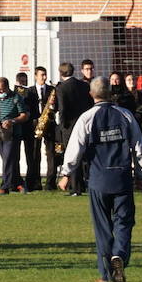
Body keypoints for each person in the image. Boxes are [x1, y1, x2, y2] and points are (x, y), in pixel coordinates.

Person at [58, 77, 142, 282]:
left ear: (91, 95)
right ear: (111, 93)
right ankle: (119, 254)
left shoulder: (87, 118)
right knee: (124, 222)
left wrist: (66, 173)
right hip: (122, 178)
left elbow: (75, 149)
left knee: (102, 228)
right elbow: (139, 147)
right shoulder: (125, 115)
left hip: (98, 179)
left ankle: (106, 273)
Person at [55, 62, 93, 195]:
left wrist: (62, 125)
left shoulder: (61, 88)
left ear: (61, 73)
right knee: (85, 156)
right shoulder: (84, 85)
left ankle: (76, 187)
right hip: (85, 123)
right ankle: (87, 183)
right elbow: (89, 104)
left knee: (72, 154)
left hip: (69, 126)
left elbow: (62, 109)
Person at [0, 76, 29, 195]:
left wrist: (12, 121)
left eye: (1, 89)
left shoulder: (16, 98)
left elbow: (24, 115)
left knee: (8, 159)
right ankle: (19, 183)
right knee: (9, 160)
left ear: (6, 87)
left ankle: (5, 186)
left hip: (12, 134)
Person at [30, 66, 59, 191]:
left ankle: (50, 183)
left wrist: (53, 107)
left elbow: (57, 106)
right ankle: (36, 182)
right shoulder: (30, 91)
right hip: (35, 124)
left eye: (45, 74)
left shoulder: (52, 90)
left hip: (50, 124)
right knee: (35, 154)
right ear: (36, 76)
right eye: (42, 75)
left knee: (51, 154)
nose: (44, 77)